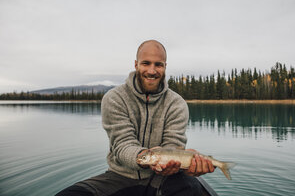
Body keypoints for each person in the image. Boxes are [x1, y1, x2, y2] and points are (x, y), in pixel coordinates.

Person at [56, 40, 215, 196]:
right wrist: (144, 157)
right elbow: (122, 144)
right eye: (146, 63)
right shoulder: (114, 98)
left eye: (158, 65)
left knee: (191, 187)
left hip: (163, 178)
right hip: (120, 177)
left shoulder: (177, 104)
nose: (152, 71)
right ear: (136, 64)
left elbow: (173, 145)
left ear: (165, 66)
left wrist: (177, 164)